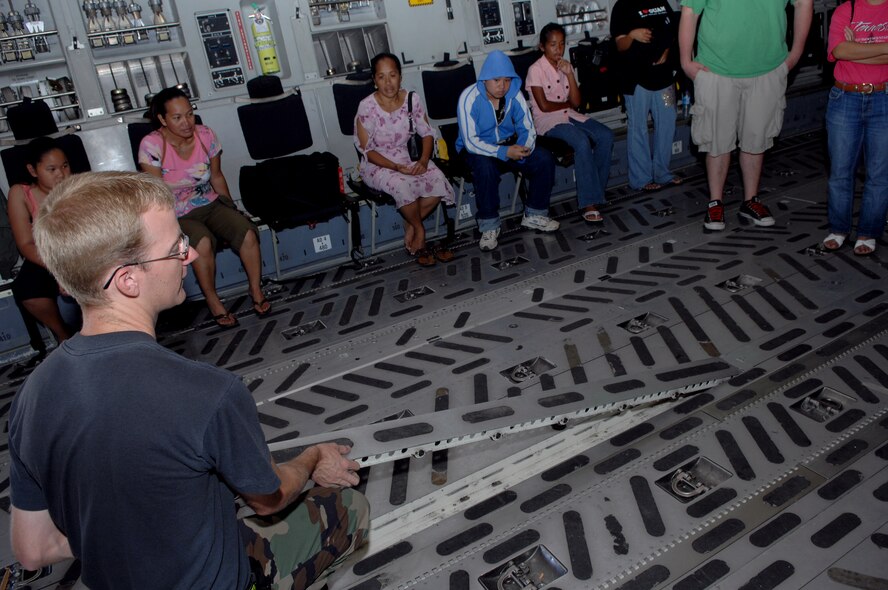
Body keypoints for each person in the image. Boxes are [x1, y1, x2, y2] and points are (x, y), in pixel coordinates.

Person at [9, 171, 369, 590]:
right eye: (175, 248)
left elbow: (33, 549)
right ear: (128, 280)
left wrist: (125, 538)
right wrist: (312, 458)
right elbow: (269, 499)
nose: (191, 255)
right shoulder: (208, 392)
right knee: (349, 508)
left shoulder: (32, 395)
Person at [138, 87, 270, 328]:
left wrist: (231, 208)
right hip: (176, 213)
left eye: (189, 114)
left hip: (210, 202)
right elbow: (157, 196)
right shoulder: (151, 145)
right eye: (177, 117)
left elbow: (216, 176)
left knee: (246, 232)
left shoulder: (206, 135)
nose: (187, 122)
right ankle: (213, 301)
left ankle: (256, 290)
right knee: (202, 243)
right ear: (162, 119)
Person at [679, 0, 813, 230]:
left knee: (756, 139)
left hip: (768, 67)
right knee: (716, 141)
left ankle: (751, 200)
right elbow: (690, 11)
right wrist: (685, 61)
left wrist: (796, 53)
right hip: (715, 68)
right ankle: (715, 203)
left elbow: (803, 3)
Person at [355, 52, 455, 266]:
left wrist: (424, 160)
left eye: (392, 75)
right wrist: (395, 167)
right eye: (381, 77)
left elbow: (427, 133)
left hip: (406, 157)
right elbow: (367, 151)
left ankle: (410, 223)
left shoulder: (412, 99)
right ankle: (419, 230)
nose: (388, 82)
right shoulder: (366, 107)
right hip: (377, 164)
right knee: (401, 185)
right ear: (374, 80)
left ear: (400, 76)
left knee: (438, 179)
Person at [457, 50, 560, 252]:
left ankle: (534, 214)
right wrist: (504, 152)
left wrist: (523, 149)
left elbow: (528, 128)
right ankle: (489, 226)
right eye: (496, 80)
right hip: (476, 150)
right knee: (485, 168)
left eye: (506, 80)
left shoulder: (514, 94)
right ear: (485, 79)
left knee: (543, 159)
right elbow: (470, 141)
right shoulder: (468, 97)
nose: (502, 86)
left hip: (509, 144)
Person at [526, 23, 614, 223]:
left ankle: (597, 193)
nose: (558, 49)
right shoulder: (535, 70)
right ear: (542, 46)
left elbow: (576, 102)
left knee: (606, 136)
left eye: (562, 44)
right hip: (548, 121)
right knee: (581, 141)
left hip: (570, 115)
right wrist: (568, 104)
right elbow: (545, 106)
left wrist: (570, 74)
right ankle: (588, 203)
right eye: (553, 45)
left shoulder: (565, 66)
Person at [821, 0, 888, 256]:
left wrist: (857, 48)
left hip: (884, 98)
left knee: (880, 173)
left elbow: (849, 50)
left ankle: (868, 232)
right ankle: (839, 229)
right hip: (844, 98)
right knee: (840, 171)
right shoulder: (845, 10)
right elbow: (840, 51)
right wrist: (883, 49)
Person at [6, 137, 74, 348]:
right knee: (28, 290)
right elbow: (26, 244)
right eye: (51, 169)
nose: (61, 174)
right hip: (45, 255)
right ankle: (64, 336)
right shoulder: (20, 193)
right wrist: (59, 268)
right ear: (33, 170)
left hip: (81, 250)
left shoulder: (79, 186)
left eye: (65, 166)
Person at [610, 0, 682, 192]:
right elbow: (620, 45)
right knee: (638, 127)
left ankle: (662, 172)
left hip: (664, 77)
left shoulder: (661, 2)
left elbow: (672, 32)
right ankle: (641, 179)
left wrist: (666, 51)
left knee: (668, 121)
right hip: (636, 79)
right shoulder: (622, 6)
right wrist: (632, 36)